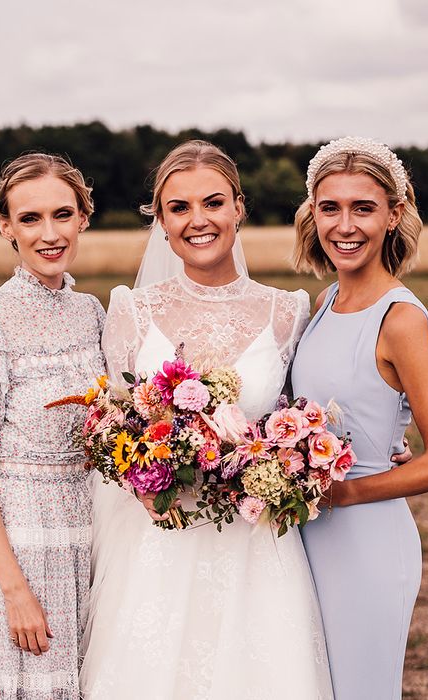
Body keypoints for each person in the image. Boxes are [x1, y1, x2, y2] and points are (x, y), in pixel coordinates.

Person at [81, 140, 334, 699]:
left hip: (254, 543)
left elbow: (302, 420)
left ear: (239, 208)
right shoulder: (131, 309)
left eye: (213, 203)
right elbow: (109, 429)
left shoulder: (288, 310)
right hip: (156, 542)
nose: (198, 221)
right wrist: (147, 469)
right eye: (179, 207)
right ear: (161, 221)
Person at [290, 136, 428, 699]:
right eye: (330, 207)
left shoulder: (401, 319)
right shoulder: (325, 305)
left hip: (365, 542)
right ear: (312, 215)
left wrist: (348, 492)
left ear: (393, 215)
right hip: (308, 533)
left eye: (363, 208)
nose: (345, 225)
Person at [0, 153, 105, 699]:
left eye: (63, 214)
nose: (49, 234)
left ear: (84, 216)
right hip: (18, 544)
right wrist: (15, 592)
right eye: (30, 219)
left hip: (88, 536)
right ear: (6, 226)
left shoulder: (94, 313)